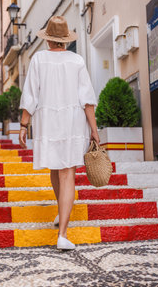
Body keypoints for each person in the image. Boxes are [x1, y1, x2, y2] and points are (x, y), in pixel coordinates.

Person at [19, 15, 100, 250]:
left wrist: (24, 125)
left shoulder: (38, 59)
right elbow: (87, 100)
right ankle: (63, 233)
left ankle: (60, 216)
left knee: (56, 169)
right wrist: (94, 130)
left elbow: (30, 95)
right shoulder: (77, 61)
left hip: (47, 121)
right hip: (72, 121)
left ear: (48, 40)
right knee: (67, 174)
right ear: (65, 40)